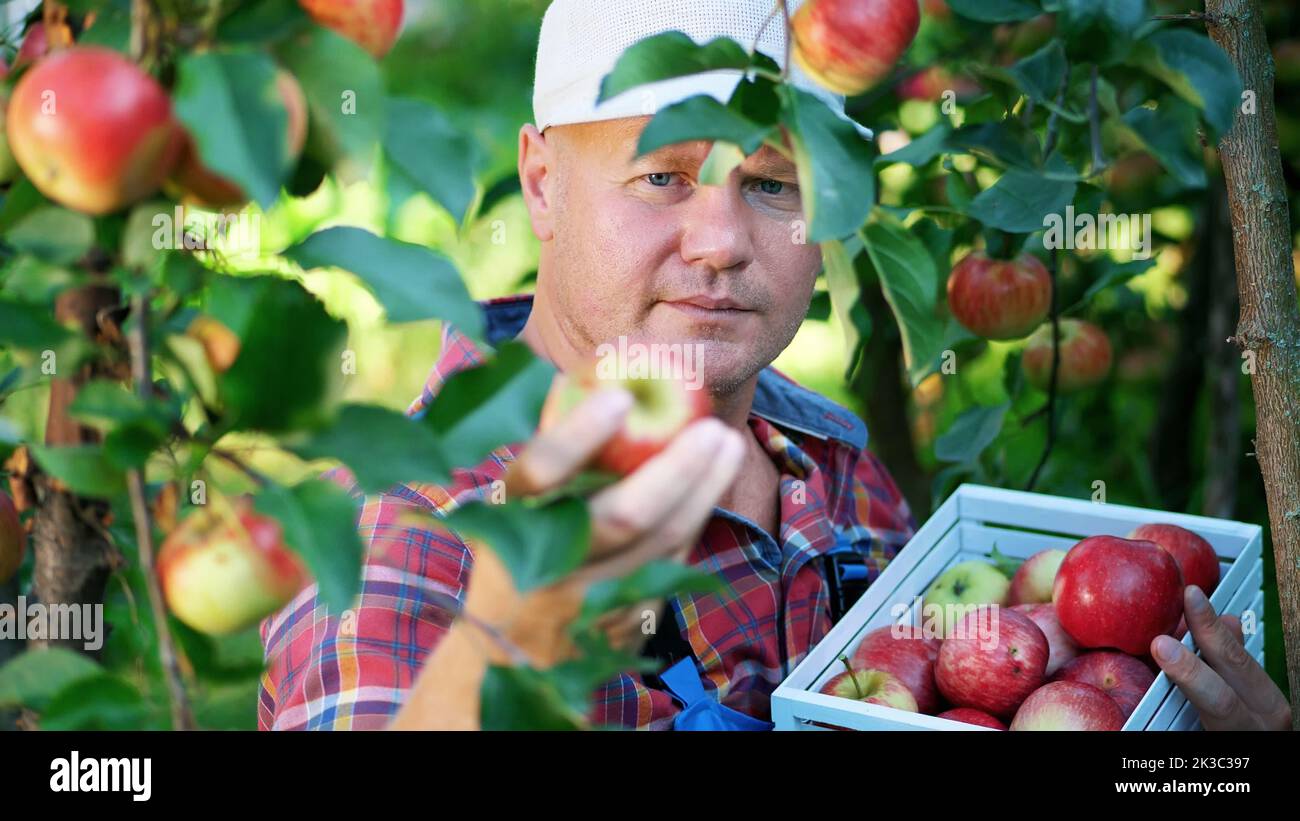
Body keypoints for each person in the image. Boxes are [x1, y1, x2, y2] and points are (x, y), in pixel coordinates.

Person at [258, 0, 1291, 732]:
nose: (718, 240)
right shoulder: (401, 537)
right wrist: (502, 644)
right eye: (662, 174)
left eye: (770, 183)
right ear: (540, 182)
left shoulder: (824, 451)